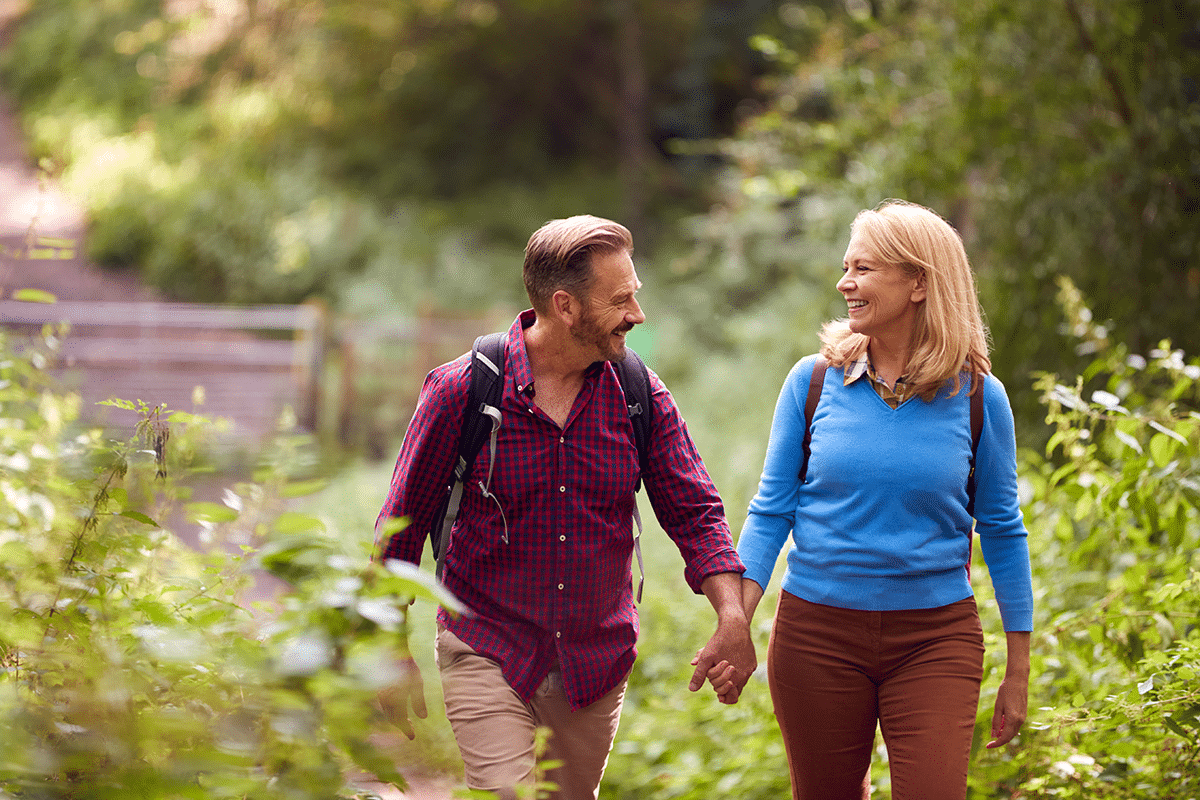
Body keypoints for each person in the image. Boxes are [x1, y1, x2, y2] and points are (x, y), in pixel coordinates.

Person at [374, 215, 756, 800]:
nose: (637, 314)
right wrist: (385, 644)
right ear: (566, 307)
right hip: (487, 646)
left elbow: (694, 510)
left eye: (634, 295)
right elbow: (400, 526)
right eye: (620, 300)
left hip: (593, 663)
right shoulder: (462, 392)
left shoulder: (638, 394)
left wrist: (731, 614)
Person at [712, 200, 1032, 799]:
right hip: (816, 636)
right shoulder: (811, 382)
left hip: (936, 639)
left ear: (918, 283)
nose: (845, 283)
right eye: (845, 267)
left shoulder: (978, 398)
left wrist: (1018, 668)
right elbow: (772, 510)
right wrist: (736, 620)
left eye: (863, 269)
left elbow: (1003, 530)